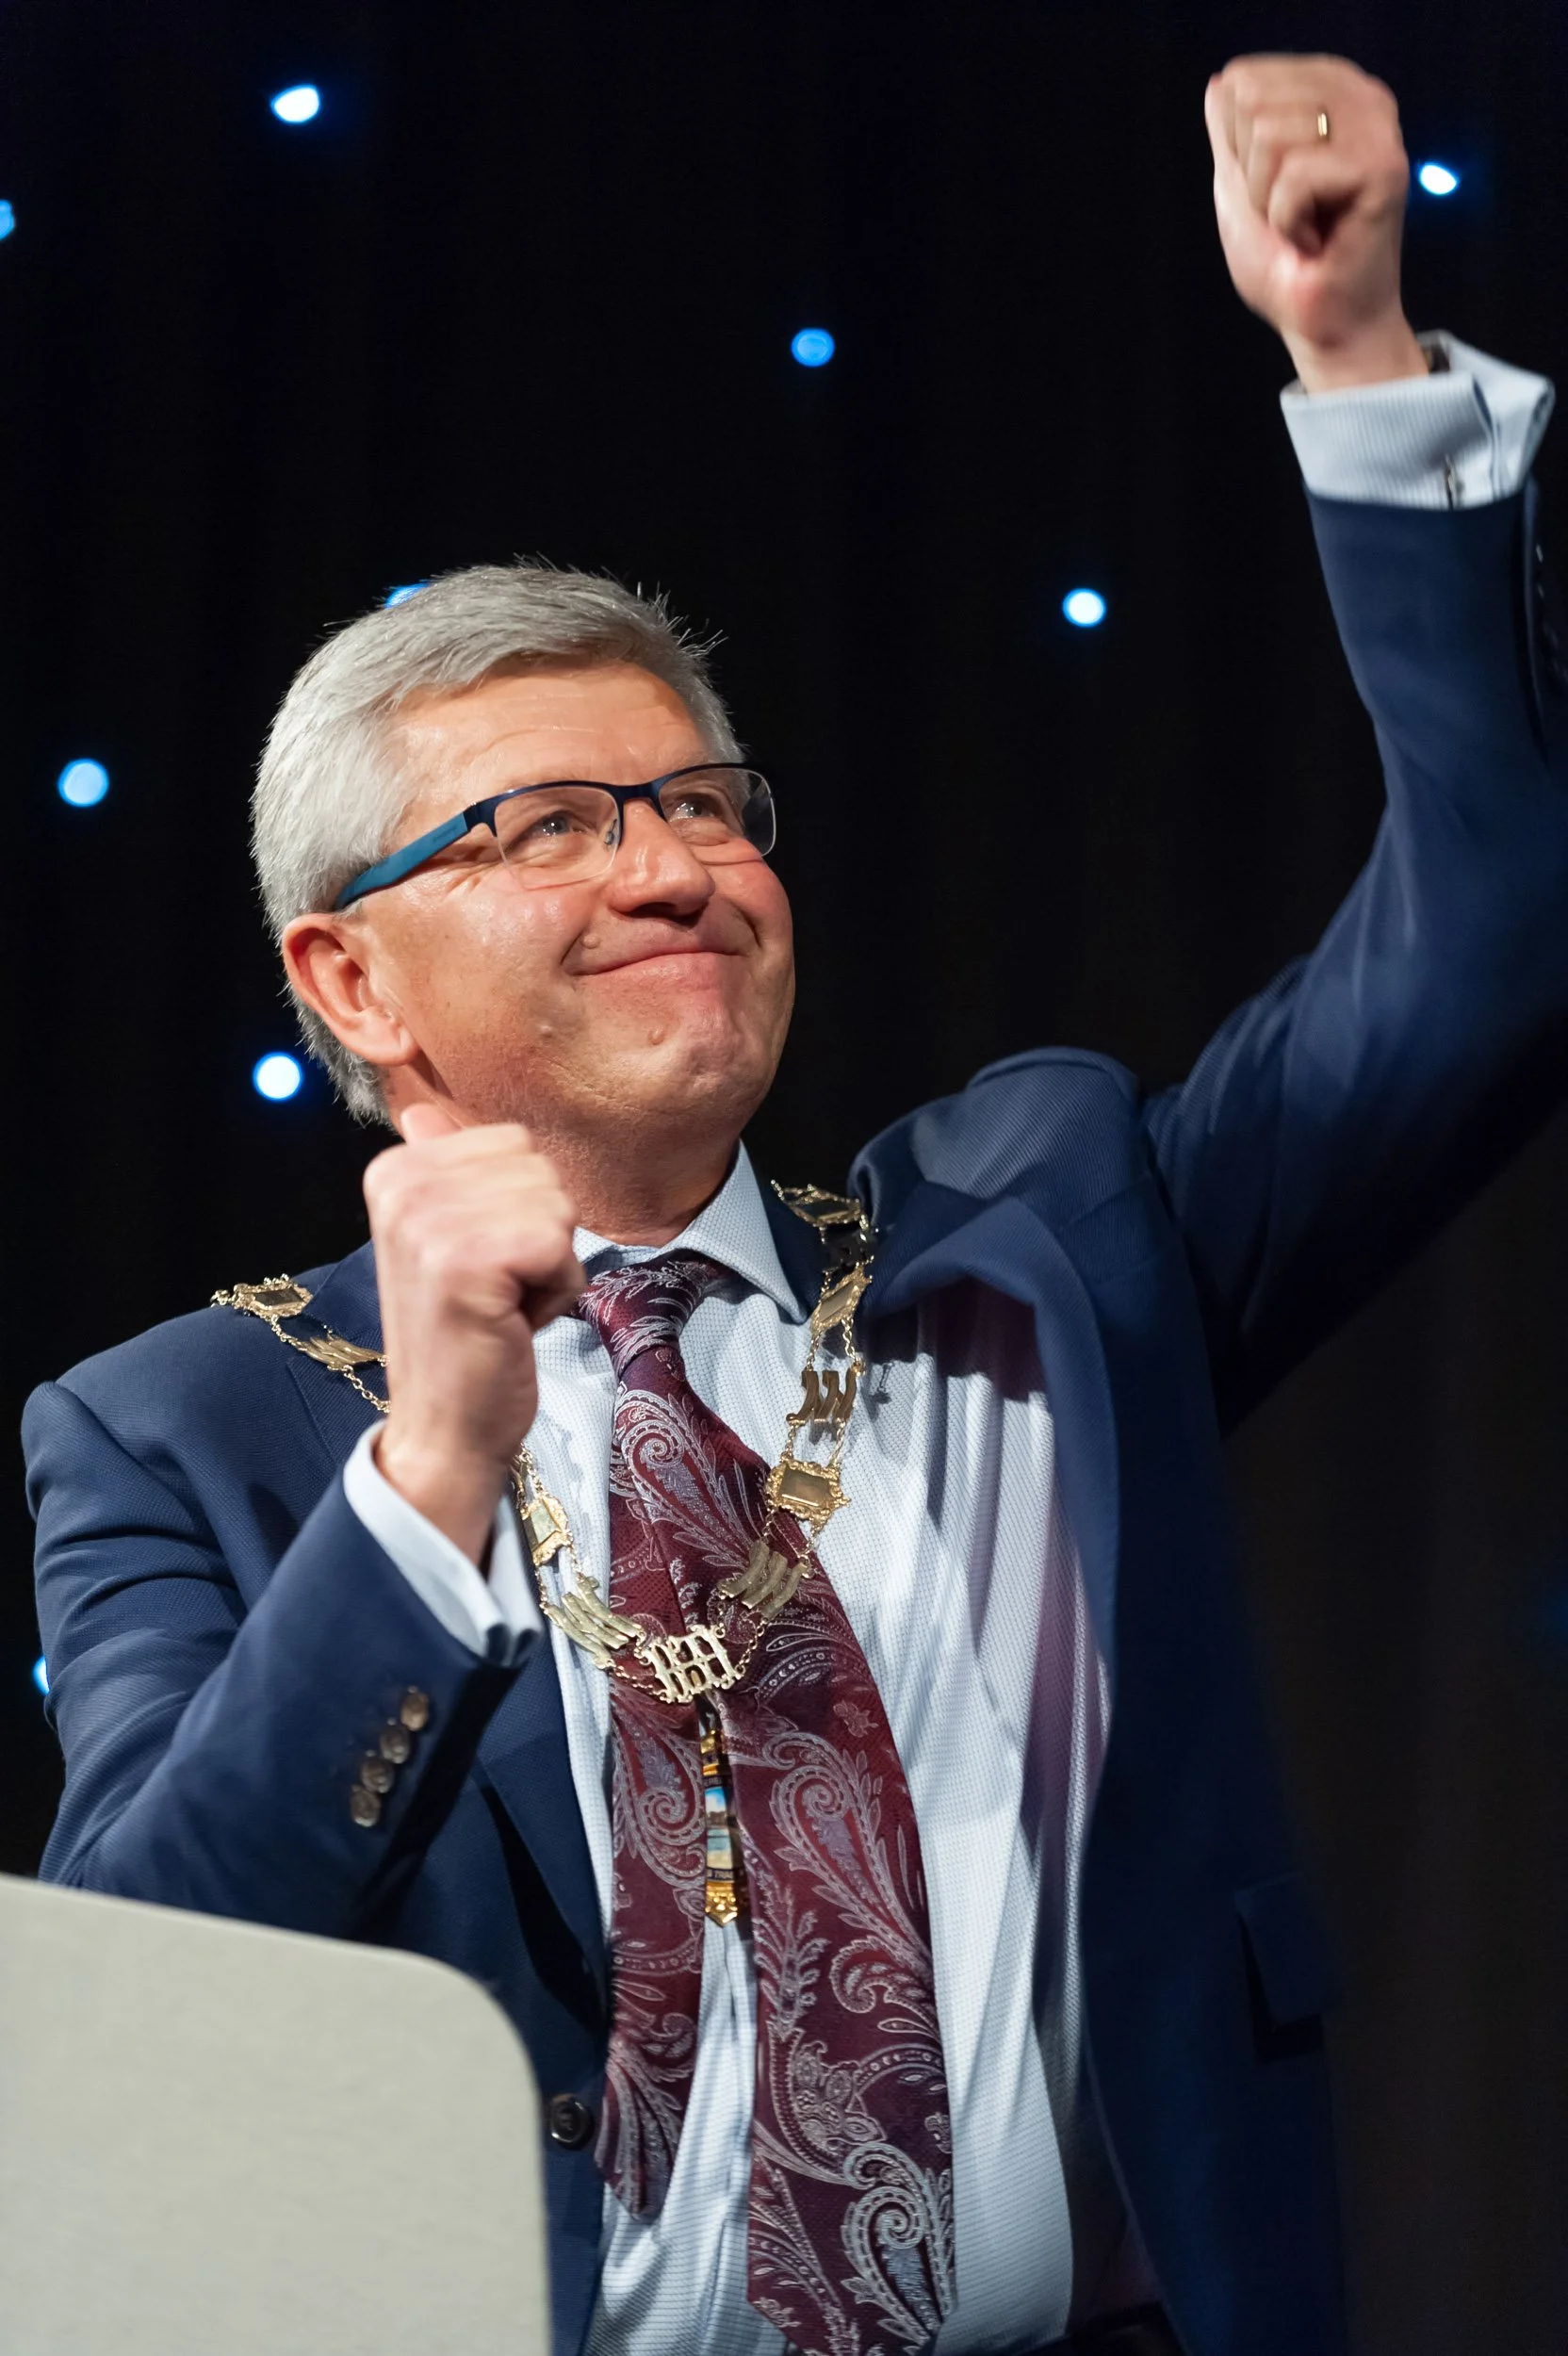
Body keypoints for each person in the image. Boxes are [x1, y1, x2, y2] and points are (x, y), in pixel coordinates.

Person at [24, 52, 1568, 2356]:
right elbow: (145, 2005)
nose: (667, 865)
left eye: (701, 800)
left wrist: (1353, 366)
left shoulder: (1047, 1236)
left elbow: (1492, 931)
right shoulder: (180, 1426)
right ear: (348, 974)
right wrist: (430, 1477)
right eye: (543, 826)